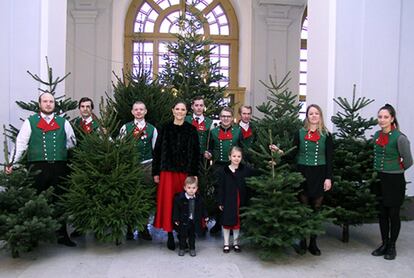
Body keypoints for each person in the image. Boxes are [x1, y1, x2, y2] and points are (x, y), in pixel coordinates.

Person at [5, 92, 77, 247]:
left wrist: (60, 152)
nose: (48, 104)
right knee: (36, 199)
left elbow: (72, 142)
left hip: (59, 166)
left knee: (60, 199)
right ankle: (34, 237)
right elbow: (21, 143)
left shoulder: (63, 122)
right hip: (37, 167)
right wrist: (12, 163)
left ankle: (62, 234)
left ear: (54, 104)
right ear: (40, 104)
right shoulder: (30, 122)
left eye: (51, 101)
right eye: (45, 101)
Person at [270, 104, 333, 255]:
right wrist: (279, 153)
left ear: (320, 115)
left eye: (316, 113)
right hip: (303, 172)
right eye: (311, 113)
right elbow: (292, 154)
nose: (314, 116)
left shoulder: (327, 135)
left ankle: (313, 242)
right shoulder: (299, 133)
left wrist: (328, 178)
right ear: (307, 116)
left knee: (316, 209)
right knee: (303, 209)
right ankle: (302, 241)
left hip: (320, 173)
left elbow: (330, 159)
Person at [152, 101, 200, 250]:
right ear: (172, 110)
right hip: (167, 172)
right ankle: (170, 235)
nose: (180, 111)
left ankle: (182, 234)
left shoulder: (191, 130)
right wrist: (155, 172)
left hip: (184, 173)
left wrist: (194, 173)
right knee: (168, 204)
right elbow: (157, 151)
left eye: (183, 109)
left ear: (187, 112)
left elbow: (196, 153)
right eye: (177, 109)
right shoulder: (165, 128)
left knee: (184, 204)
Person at [371, 104, 412, 260]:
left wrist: (395, 168)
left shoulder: (400, 138)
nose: (382, 120)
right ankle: (384, 243)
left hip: (394, 179)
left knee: (393, 214)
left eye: (386, 117)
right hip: (379, 178)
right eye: (380, 117)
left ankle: (392, 246)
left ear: (392, 118)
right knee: (382, 213)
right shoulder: (376, 135)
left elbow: (408, 160)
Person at [119, 101, 158, 241]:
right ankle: (129, 227)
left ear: (146, 111)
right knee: (130, 195)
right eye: (136, 109)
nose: (139, 112)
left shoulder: (152, 129)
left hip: (147, 165)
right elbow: (121, 148)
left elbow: (156, 151)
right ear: (132, 112)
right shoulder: (126, 127)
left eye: (141, 109)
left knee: (145, 196)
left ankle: (143, 227)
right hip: (131, 166)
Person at [204, 107, 242, 234]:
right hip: (218, 167)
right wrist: (208, 153)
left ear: (232, 118)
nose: (226, 118)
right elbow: (209, 148)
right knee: (218, 195)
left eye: (228, 116)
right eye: (223, 116)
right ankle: (218, 222)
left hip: (233, 167)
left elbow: (242, 150)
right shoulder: (213, 132)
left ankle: (231, 223)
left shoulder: (238, 131)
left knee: (231, 196)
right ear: (220, 118)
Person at [217, 146, 258, 253]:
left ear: (241, 157)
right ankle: (226, 243)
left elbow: (257, 173)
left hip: (240, 200)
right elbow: (220, 187)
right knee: (226, 222)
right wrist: (220, 201)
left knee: (237, 223)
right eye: (234, 156)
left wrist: (269, 165)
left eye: (239, 156)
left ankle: (236, 243)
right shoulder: (223, 171)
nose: (236, 158)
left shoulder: (245, 170)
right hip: (227, 200)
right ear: (229, 157)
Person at [172, 176, 209, 256]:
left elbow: (203, 208)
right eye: (189, 188)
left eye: (193, 188)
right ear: (185, 188)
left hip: (193, 221)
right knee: (182, 236)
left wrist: (205, 216)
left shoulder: (199, 199)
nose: (191, 190)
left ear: (197, 188)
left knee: (192, 236)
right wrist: (176, 219)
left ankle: (192, 248)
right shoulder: (179, 199)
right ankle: (182, 248)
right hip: (183, 221)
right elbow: (176, 210)